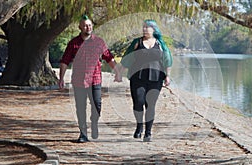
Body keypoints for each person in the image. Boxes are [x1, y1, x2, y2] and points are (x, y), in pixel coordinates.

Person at [59, 15, 121, 143]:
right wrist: (61, 78)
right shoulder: (73, 43)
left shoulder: (99, 42)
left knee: (97, 105)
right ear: (80, 27)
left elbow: (109, 58)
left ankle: (94, 123)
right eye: (86, 25)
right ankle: (83, 134)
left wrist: (117, 72)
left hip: (95, 79)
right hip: (78, 80)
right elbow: (65, 61)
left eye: (90, 25)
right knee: (80, 108)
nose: (88, 27)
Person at [120, 19, 173, 142]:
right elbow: (127, 57)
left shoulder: (160, 43)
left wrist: (167, 76)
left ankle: (148, 132)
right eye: (143, 27)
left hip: (156, 78)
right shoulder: (137, 42)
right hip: (137, 77)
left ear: (153, 29)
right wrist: (119, 72)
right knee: (138, 102)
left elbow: (167, 59)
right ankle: (139, 126)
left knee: (150, 105)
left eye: (147, 27)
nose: (144, 29)